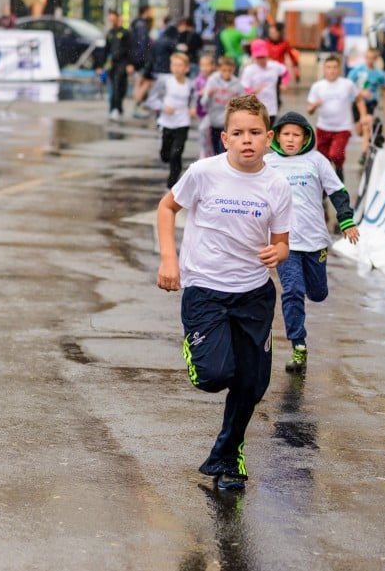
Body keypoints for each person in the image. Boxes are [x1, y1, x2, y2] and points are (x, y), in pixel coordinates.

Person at [155, 94, 292, 491]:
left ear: (269, 138)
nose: (246, 140)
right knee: (215, 375)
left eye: (254, 133)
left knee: (253, 384)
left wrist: (278, 252)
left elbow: (282, 242)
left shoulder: (277, 185)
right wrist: (169, 260)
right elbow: (167, 208)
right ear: (224, 137)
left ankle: (229, 454)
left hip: (253, 294)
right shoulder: (204, 172)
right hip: (205, 291)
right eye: (238, 133)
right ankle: (195, 351)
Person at [264, 111, 360, 373]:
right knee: (292, 290)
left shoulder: (316, 161)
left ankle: (310, 293)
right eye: (286, 134)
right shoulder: (267, 163)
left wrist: (346, 221)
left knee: (317, 293)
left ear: (306, 137)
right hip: (285, 242)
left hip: (315, 240)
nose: (291, 139)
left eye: (296, 134)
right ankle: (298, 345)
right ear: (277, 137)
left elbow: (337, 191)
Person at [307, 54, 364, 180]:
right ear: (324, 69)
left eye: (334, 67)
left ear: (339, 69)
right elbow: (309, 110)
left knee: (336, 154)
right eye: (328, 67)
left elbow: (359, 100)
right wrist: (314, 106)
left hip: (342, 128)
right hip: (323, 128)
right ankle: (325, 191)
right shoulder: (317, 86)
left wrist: (362, 118)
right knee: (323, 160)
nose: (331, 70)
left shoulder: (347, 84)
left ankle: (339, 172)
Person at [146, 52, 198, 188]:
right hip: (166, 122)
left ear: (186, 68)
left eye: (180, 65)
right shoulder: (165, 81)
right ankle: (165, 157)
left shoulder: (190, 84)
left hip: (183, 123)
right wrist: (163, 107)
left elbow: (194, 100)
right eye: (174, 65)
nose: (177, 68)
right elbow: (151, 99)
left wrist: (193, 109)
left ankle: (173, 184)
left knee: (176, 154)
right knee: (166, 155)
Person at [347, 48, 385, 163]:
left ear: (376, 59)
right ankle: (372, 137)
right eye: (368, 58)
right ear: (365, 58)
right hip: (357, 102)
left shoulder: (379, 74)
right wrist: (361, 92)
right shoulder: (357, 71)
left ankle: (364, 154)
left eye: (372, 58)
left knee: (366, 127)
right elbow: (348, 85)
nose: (370, 60)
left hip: (371, 103)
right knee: (359, 131)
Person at [200, 55, 245, 156]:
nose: (227, 73)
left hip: (228, 122)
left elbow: (243, 102)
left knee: (224, 149)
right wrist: (208, 94)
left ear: (233, 69)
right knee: (214, 149)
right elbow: (204, 103)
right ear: (219, 69)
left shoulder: (237, 83)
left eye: (229, 70)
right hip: (214, 121)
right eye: (224, 70)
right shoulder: (212, 80)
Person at [241, 39, 288, 121]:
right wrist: (252, 91)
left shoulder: (274, 66)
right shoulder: (249, 70)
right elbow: (244, 89)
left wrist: (284, 83)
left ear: (267, 55)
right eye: (258, 57)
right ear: (254, 57)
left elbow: (286, 72)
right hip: (255, 109)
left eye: (263, 57)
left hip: (271, 108)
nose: (261, 60)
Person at [99, 10, 133, 121]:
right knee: (114, 85)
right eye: (110, 20)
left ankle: (118, 107)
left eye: (113, 19)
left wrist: (130, 64)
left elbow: (130, 50)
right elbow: (106, 50)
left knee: (120, 86)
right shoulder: (110, 33)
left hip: (123, 63)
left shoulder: (126, 33)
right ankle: (114, 108)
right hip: (112, 63)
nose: (112, 22)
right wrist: (101, 65)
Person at [193, 54, 215, 158]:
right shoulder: (198, 80)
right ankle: (204, 152)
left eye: (207, 65)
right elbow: (194, 94)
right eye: (202, 65)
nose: (205, 68)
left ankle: (209, 153)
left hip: (213, 111)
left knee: (210, 134)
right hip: (201, 111)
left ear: (212, 66)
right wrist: (200, 93)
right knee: (203, 132)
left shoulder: (215, 79)